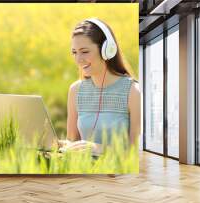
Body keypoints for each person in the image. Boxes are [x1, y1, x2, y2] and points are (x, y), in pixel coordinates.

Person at [58, 18, 141, 156]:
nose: (78, 59)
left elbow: (136, 153)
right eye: (74, 52)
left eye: (84, 52)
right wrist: (52, 142)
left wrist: (100, 149)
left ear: (107, 50)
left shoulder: (133, 92)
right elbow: (73, 142)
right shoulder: (75, 90)